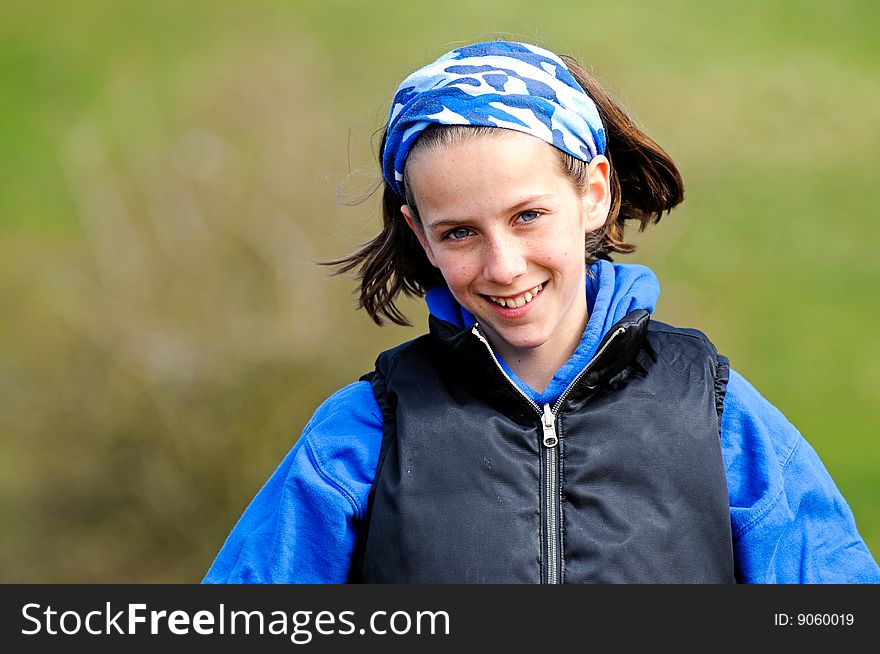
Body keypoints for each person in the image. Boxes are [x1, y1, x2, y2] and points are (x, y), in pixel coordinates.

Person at [203, 41, 879, 583]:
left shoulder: (718, 415)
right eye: (460, 232)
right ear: (420, 235)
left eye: (527, 216)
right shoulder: (361, 435)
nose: (503, 266)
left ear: (594, 194)